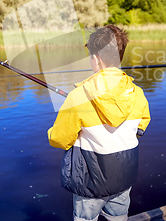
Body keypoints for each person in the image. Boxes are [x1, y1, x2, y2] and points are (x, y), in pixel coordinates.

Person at [48, 24, 151, 221]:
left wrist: (52, 133)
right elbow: (142, 124)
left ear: (96, 59)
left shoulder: (77, 96)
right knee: (119, 218)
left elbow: (60, 139)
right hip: (123, 176)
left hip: (89, 182)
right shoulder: (137, 93)